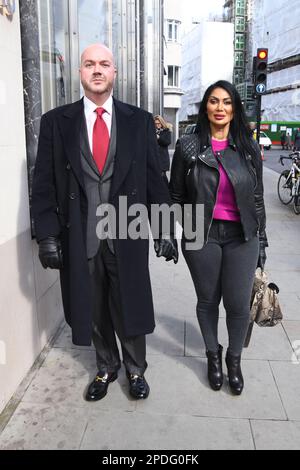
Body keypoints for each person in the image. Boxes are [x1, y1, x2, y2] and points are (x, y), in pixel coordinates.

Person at [32, 43, 178, 402]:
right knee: (92, 305)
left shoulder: (139, 121)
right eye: (89, 64)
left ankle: (135, 369)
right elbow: (44, 184)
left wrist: (163, 230)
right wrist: (48, 235)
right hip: (79, 234)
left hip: (126, 231)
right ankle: (105, 366)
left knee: (129, 300)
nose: (97, 70)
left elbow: (154, 179)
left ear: (114, 73)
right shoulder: (56, 122)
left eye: (104, 64)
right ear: (80, 73)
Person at [170, 80, 268, 395]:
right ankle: (213, 355)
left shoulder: (248, 146)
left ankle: (233, 360)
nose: (220, 107)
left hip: (242, 236)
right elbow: (175, 194)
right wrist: (177, 232)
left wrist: (261, 243)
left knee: (238, 304)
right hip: (203, 235)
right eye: (214, 101)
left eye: (227, 102)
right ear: (206, 108)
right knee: (208, 300)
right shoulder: (188, 146)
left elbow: (257, 198)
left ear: (234, 108)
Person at [154, 115, 172, 185]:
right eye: (155, 124)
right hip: (154, 158)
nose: (157, 125)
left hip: (162, 159)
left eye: (158, 123)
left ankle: (167, 192)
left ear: (162, 123)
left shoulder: (166, 131)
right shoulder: (152, 131)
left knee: (163, 177)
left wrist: (159, 137)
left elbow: (167, 142)